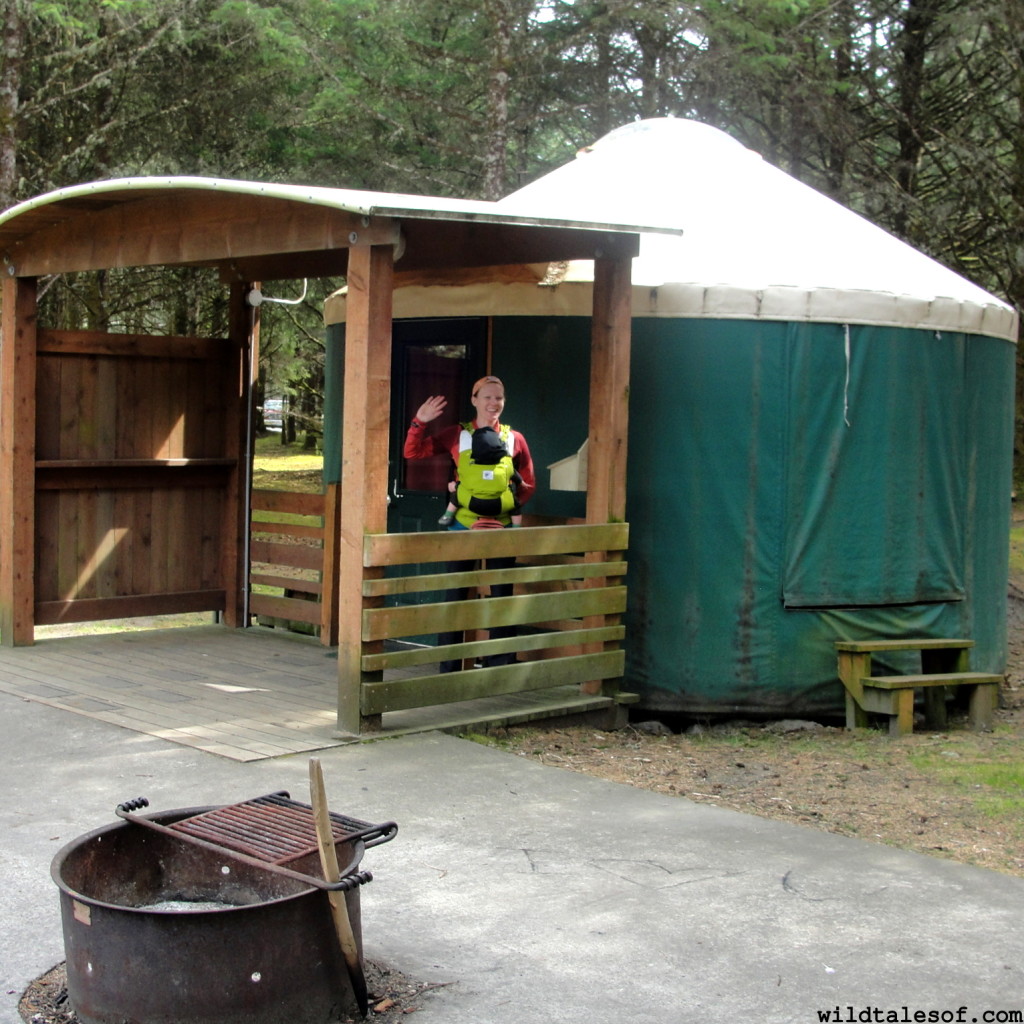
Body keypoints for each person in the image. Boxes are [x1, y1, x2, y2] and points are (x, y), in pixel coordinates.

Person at [403, 375, 536, 671]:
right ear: (474, 400)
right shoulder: (457, 435)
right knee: (456, 595)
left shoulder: (515, 439)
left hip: (501, 530)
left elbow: (528, 483)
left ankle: (500, 664)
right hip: (461, 527)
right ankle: (449, 666)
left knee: (502, 595)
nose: (493, 403)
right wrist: (419, 422)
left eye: (498, 397)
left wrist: (501, 507)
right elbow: (412, 453)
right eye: (487, 397)